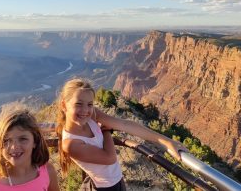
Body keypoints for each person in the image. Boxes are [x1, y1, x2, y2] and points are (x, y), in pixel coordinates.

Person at [56, 78, 188, 191]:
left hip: (115, 181)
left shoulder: (93, 116)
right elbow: (110, 158)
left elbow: (125, 124)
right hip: (105, 188)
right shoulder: (71, 144)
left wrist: (165, 141)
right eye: (78, 104)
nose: (85, 110)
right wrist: (106, 131)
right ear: (64, 105)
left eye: (90, 104)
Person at [0, 106, 59, 191]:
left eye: (23, 139)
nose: (14, 146)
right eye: (6, 140)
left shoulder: (47, 171)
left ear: (35, 141)